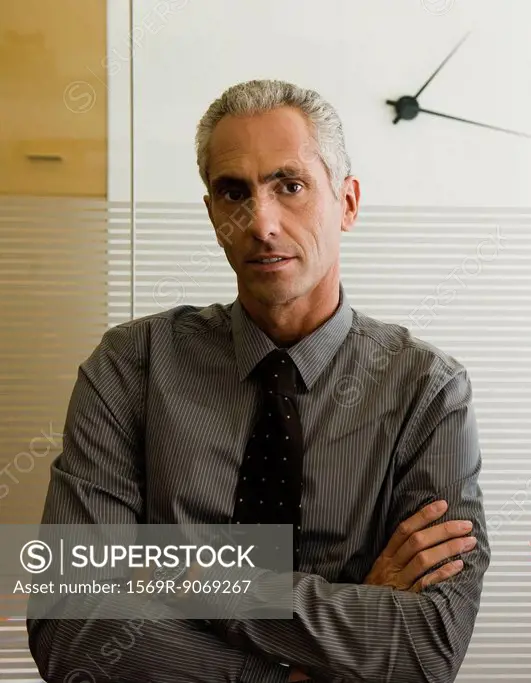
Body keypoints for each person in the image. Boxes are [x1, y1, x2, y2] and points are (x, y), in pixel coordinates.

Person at [27, 79, 490, 683]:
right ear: (213, 215)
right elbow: (71, 624)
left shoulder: (426, 391)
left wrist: (184, 574)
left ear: (347, 203)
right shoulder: (130, 368)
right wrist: (278, 671)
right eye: (233, 193)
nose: (261, 222)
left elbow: (430, 644)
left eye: (290, 186)